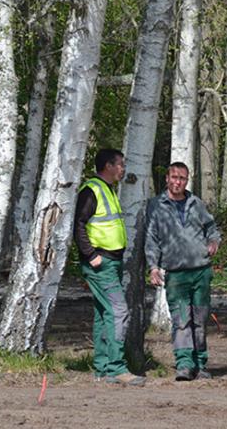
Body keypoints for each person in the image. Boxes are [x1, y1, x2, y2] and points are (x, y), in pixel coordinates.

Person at [73, 148, 146, 386]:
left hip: (110, 263)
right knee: (118, 311)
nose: (123, 169)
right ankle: (116, 368)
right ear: (108, 166)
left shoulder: (108, 189)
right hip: (100, 264)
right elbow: (79, 225)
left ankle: (103, 368)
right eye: (120, 165)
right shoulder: (91, 190)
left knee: (104, 314)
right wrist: (90, 255)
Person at [145, 162, 220, 381]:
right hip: (176, 273)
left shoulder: (196, 203)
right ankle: (184, 364)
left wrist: (213, 242)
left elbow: (212, 229)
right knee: (181, 319)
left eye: (182, 179)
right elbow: (151, 239)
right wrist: (153, 266)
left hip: (201, 271)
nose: (178, 182)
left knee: (200, 318)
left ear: (187, 180)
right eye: (174, 177)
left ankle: (201, 363)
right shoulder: (156, 205)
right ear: (167, 178)